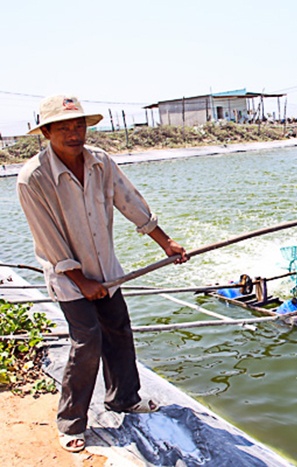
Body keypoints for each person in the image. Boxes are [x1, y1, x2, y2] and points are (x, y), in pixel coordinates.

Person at [16, 94, 188, 453]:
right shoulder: (33, 178)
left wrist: (165, 242)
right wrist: (81, 281)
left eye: (79, 125)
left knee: (119, 333)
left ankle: (124, 398)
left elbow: (130, 201)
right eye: (63, 127)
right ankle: (71, 421)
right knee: (87, 341)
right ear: (46, 132)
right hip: (68, 278)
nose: (74, 133)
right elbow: (48, 238)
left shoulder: (100, 162)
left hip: (107, 272)